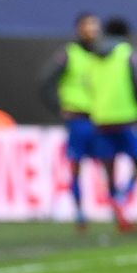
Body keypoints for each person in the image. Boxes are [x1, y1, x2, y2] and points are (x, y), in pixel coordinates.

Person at [89, 17, 137, 233]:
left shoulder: (94, 55)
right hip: (127, 117)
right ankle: (122, 197)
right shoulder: (128, 53)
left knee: (110, 169)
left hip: (101, 119)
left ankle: (119, 216)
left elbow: (88, 84)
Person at [38, 13, 101, 231]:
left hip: (101, 119)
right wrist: (58, 107)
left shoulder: (101, 55)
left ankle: (116, 206)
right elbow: (45, 82)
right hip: (78, 118)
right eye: (88, 25)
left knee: (108, 162)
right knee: (76, 166)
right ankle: (80, 212)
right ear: (79, 29)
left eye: (95, 25)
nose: (92, 30)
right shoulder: (69, 54)